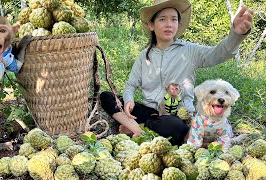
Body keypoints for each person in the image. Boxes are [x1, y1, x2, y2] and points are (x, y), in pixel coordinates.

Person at [100, 0, 253, 146]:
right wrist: (128, 100)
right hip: (148, 112)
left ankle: (133, 128)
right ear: (152, 25)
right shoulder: (144, 56)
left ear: (178, 24)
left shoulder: (190, 51)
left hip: (177, 115)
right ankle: (139, 129)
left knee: (175, 128)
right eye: (162, 19)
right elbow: (131, 85)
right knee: (107, 97)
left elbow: (218, 53)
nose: (169, 24)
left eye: (174, 19)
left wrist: (236, 34)